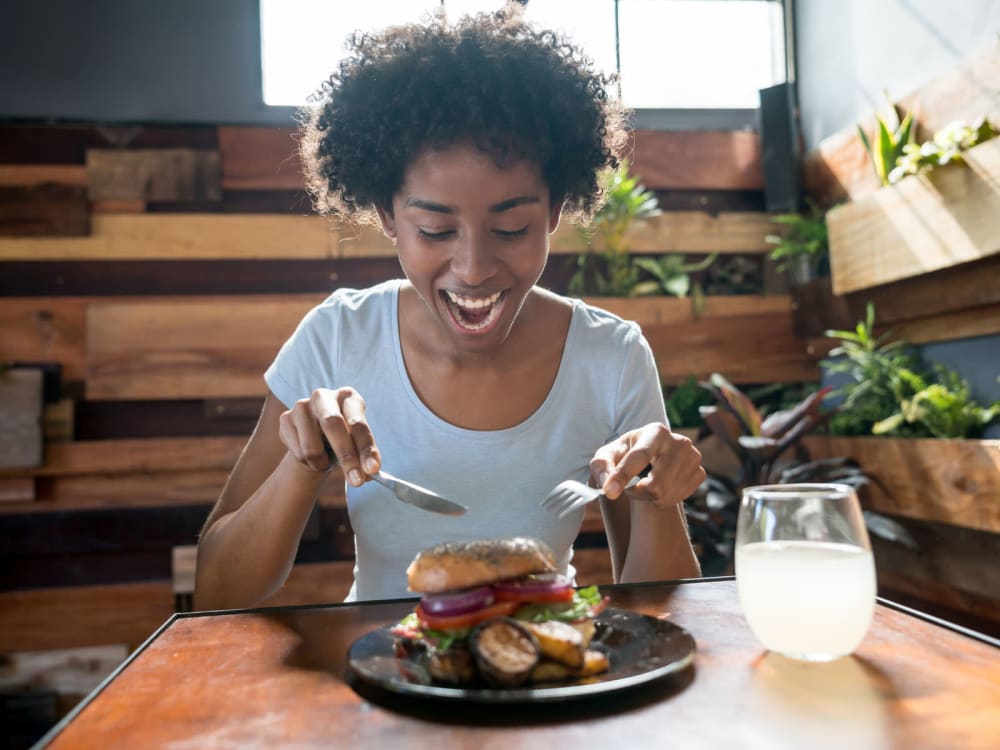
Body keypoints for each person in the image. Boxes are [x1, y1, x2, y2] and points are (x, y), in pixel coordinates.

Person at [194, 4, 704, 610]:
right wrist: (302, 465)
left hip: (542, 675)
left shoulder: (610, 357)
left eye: (511, 228)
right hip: (382, 677)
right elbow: (216, 591)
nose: (473, 269)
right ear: (387, 215)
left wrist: (658, 496)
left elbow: (657, 607)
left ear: (555, 212)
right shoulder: (338, 338)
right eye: (435, 231)